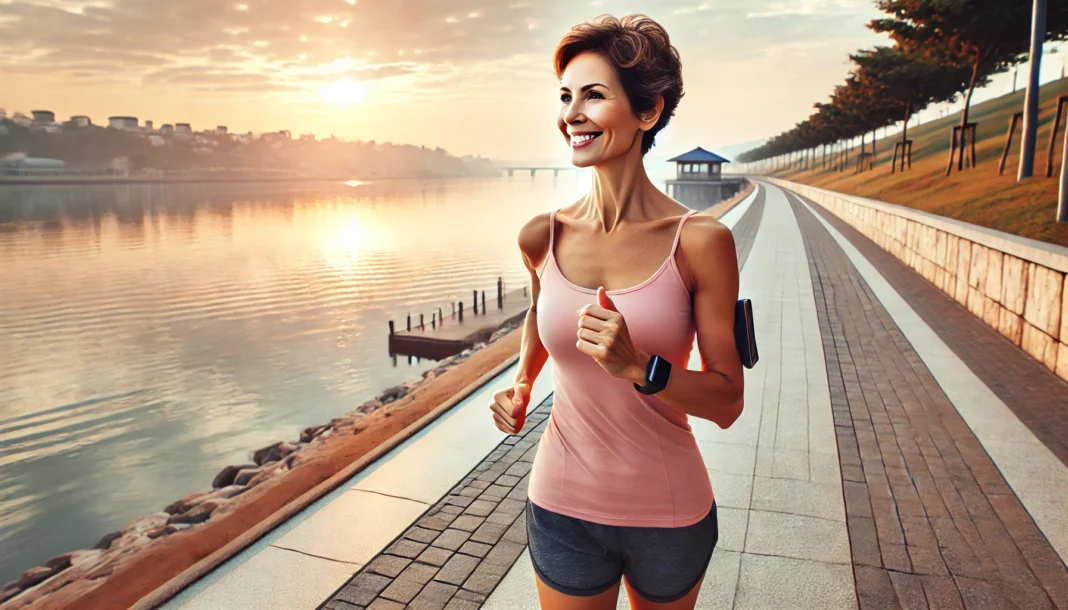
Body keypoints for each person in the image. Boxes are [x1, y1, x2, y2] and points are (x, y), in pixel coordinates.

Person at [489, 13, 746, 610]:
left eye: (594, 96)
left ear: (648, 111)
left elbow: (728, 402)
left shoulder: (701, 242)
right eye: (565, 96)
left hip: (668, 512)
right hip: (559, 505)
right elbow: (538, 313)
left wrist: (641, 367)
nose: (571, 114)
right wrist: (521, 382)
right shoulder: (540, 236)